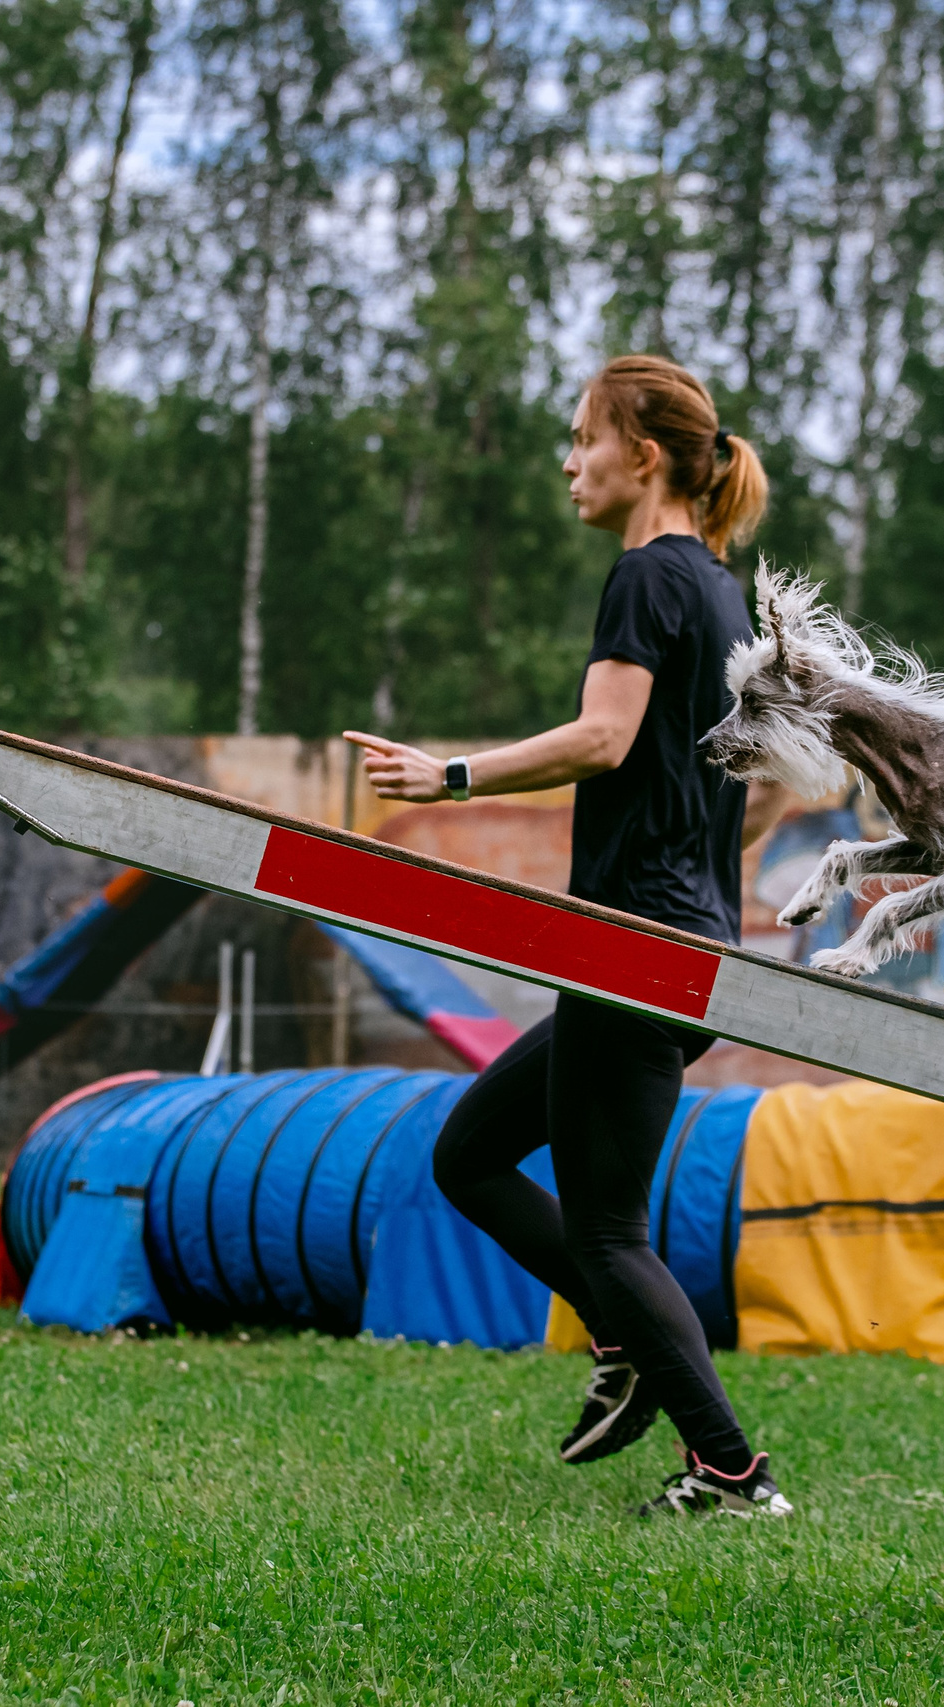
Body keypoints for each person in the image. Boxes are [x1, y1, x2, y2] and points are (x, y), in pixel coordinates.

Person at [343, 355, 796, 1518]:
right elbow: (764, 782)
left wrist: (449, 775)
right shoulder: (720, 592)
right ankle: (624, 1344)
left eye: (583, 438)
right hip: (682, 942)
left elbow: (604, 737)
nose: (568, 463)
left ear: (641, 456)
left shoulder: (646, 576)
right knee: (469, 1154)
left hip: (631, 945)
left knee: (605, 1232)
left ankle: (731, 1471)